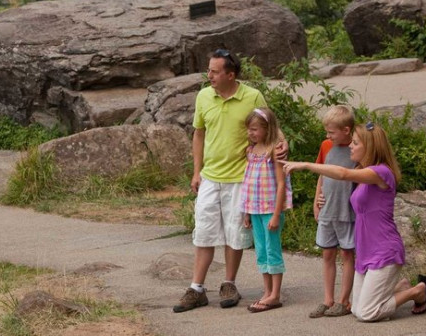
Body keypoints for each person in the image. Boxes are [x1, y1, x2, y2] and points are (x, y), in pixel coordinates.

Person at [173, 48, 286, 313]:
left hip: (240, 177)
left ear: (230, 74)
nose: (208, 75)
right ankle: (197, 288)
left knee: (235, 234)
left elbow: (271, 125)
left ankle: (229, 283)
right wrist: (196, 171)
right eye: (209, 69)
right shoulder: (204, 96)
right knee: (203, 232)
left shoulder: (251, 96)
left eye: (214, 71)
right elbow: (198, 134)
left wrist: (284, 144)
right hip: (210, 175)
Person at [284, 123, 426, 322]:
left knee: (367, 313)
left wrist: (305, 165)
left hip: (385, 251)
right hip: (366, 251)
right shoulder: (364, 171)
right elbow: (341, 183)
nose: (351, 145)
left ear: (370, 148)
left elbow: (342, 173)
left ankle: (417, 291)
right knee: (356, 309)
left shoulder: (381, 173)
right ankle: (400, 286)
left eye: (356, 143)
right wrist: (322, 199)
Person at [240, 107, 292, 313]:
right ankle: (267, 291)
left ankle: (276, 294)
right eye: (249, 129)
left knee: (272, 249)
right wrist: (246, 212)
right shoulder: (251, 151)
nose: (250, 133)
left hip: (271, 209)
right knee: (261, 251)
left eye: (255, 129)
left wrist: (277, 214)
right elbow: (248, 183)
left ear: (267, 128)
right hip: (254, 209)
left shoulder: (274, 151)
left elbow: (281, 184)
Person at [308, 105, 356, 319]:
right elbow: (321, 173)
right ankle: (328, 299)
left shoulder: (357, 147)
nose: (328, 136)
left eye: (331, 132)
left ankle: (344, 300)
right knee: (327, 253)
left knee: (347, 253)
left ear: (346, 130)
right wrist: (316, 200)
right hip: (328, 209)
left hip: (347, 211)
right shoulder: (327, 145)